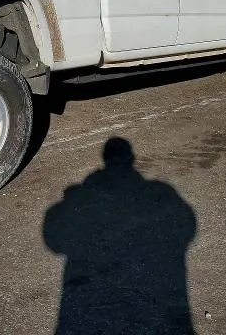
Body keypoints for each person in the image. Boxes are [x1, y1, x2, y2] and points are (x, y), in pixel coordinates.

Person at [43, 137, 197, 334]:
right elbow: (187, 225)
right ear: (131, 158)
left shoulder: (84, 196)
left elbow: (53, 240)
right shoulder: (159, 192)